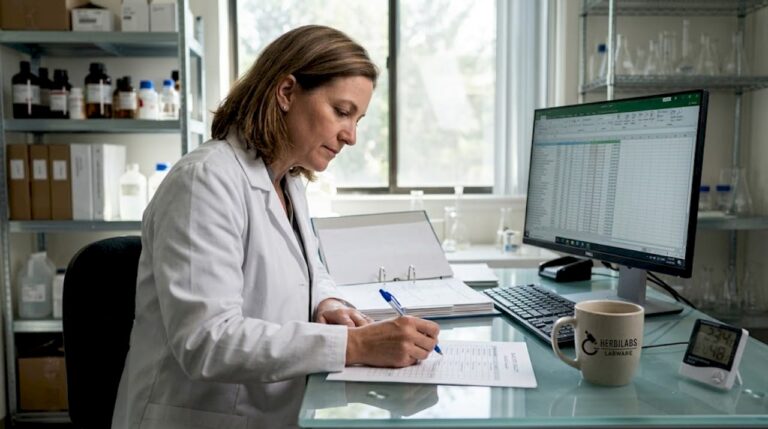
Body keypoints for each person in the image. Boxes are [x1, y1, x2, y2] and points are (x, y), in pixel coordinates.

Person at [111, 25, 441, 429]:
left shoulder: (287, 181)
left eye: (358, 119)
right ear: (286, 92)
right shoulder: (204, 181)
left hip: (274, 409)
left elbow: (311, 270)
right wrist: (353, 344)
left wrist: (328, 304)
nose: (351, 136)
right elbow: (206, 341)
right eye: (342, 112)